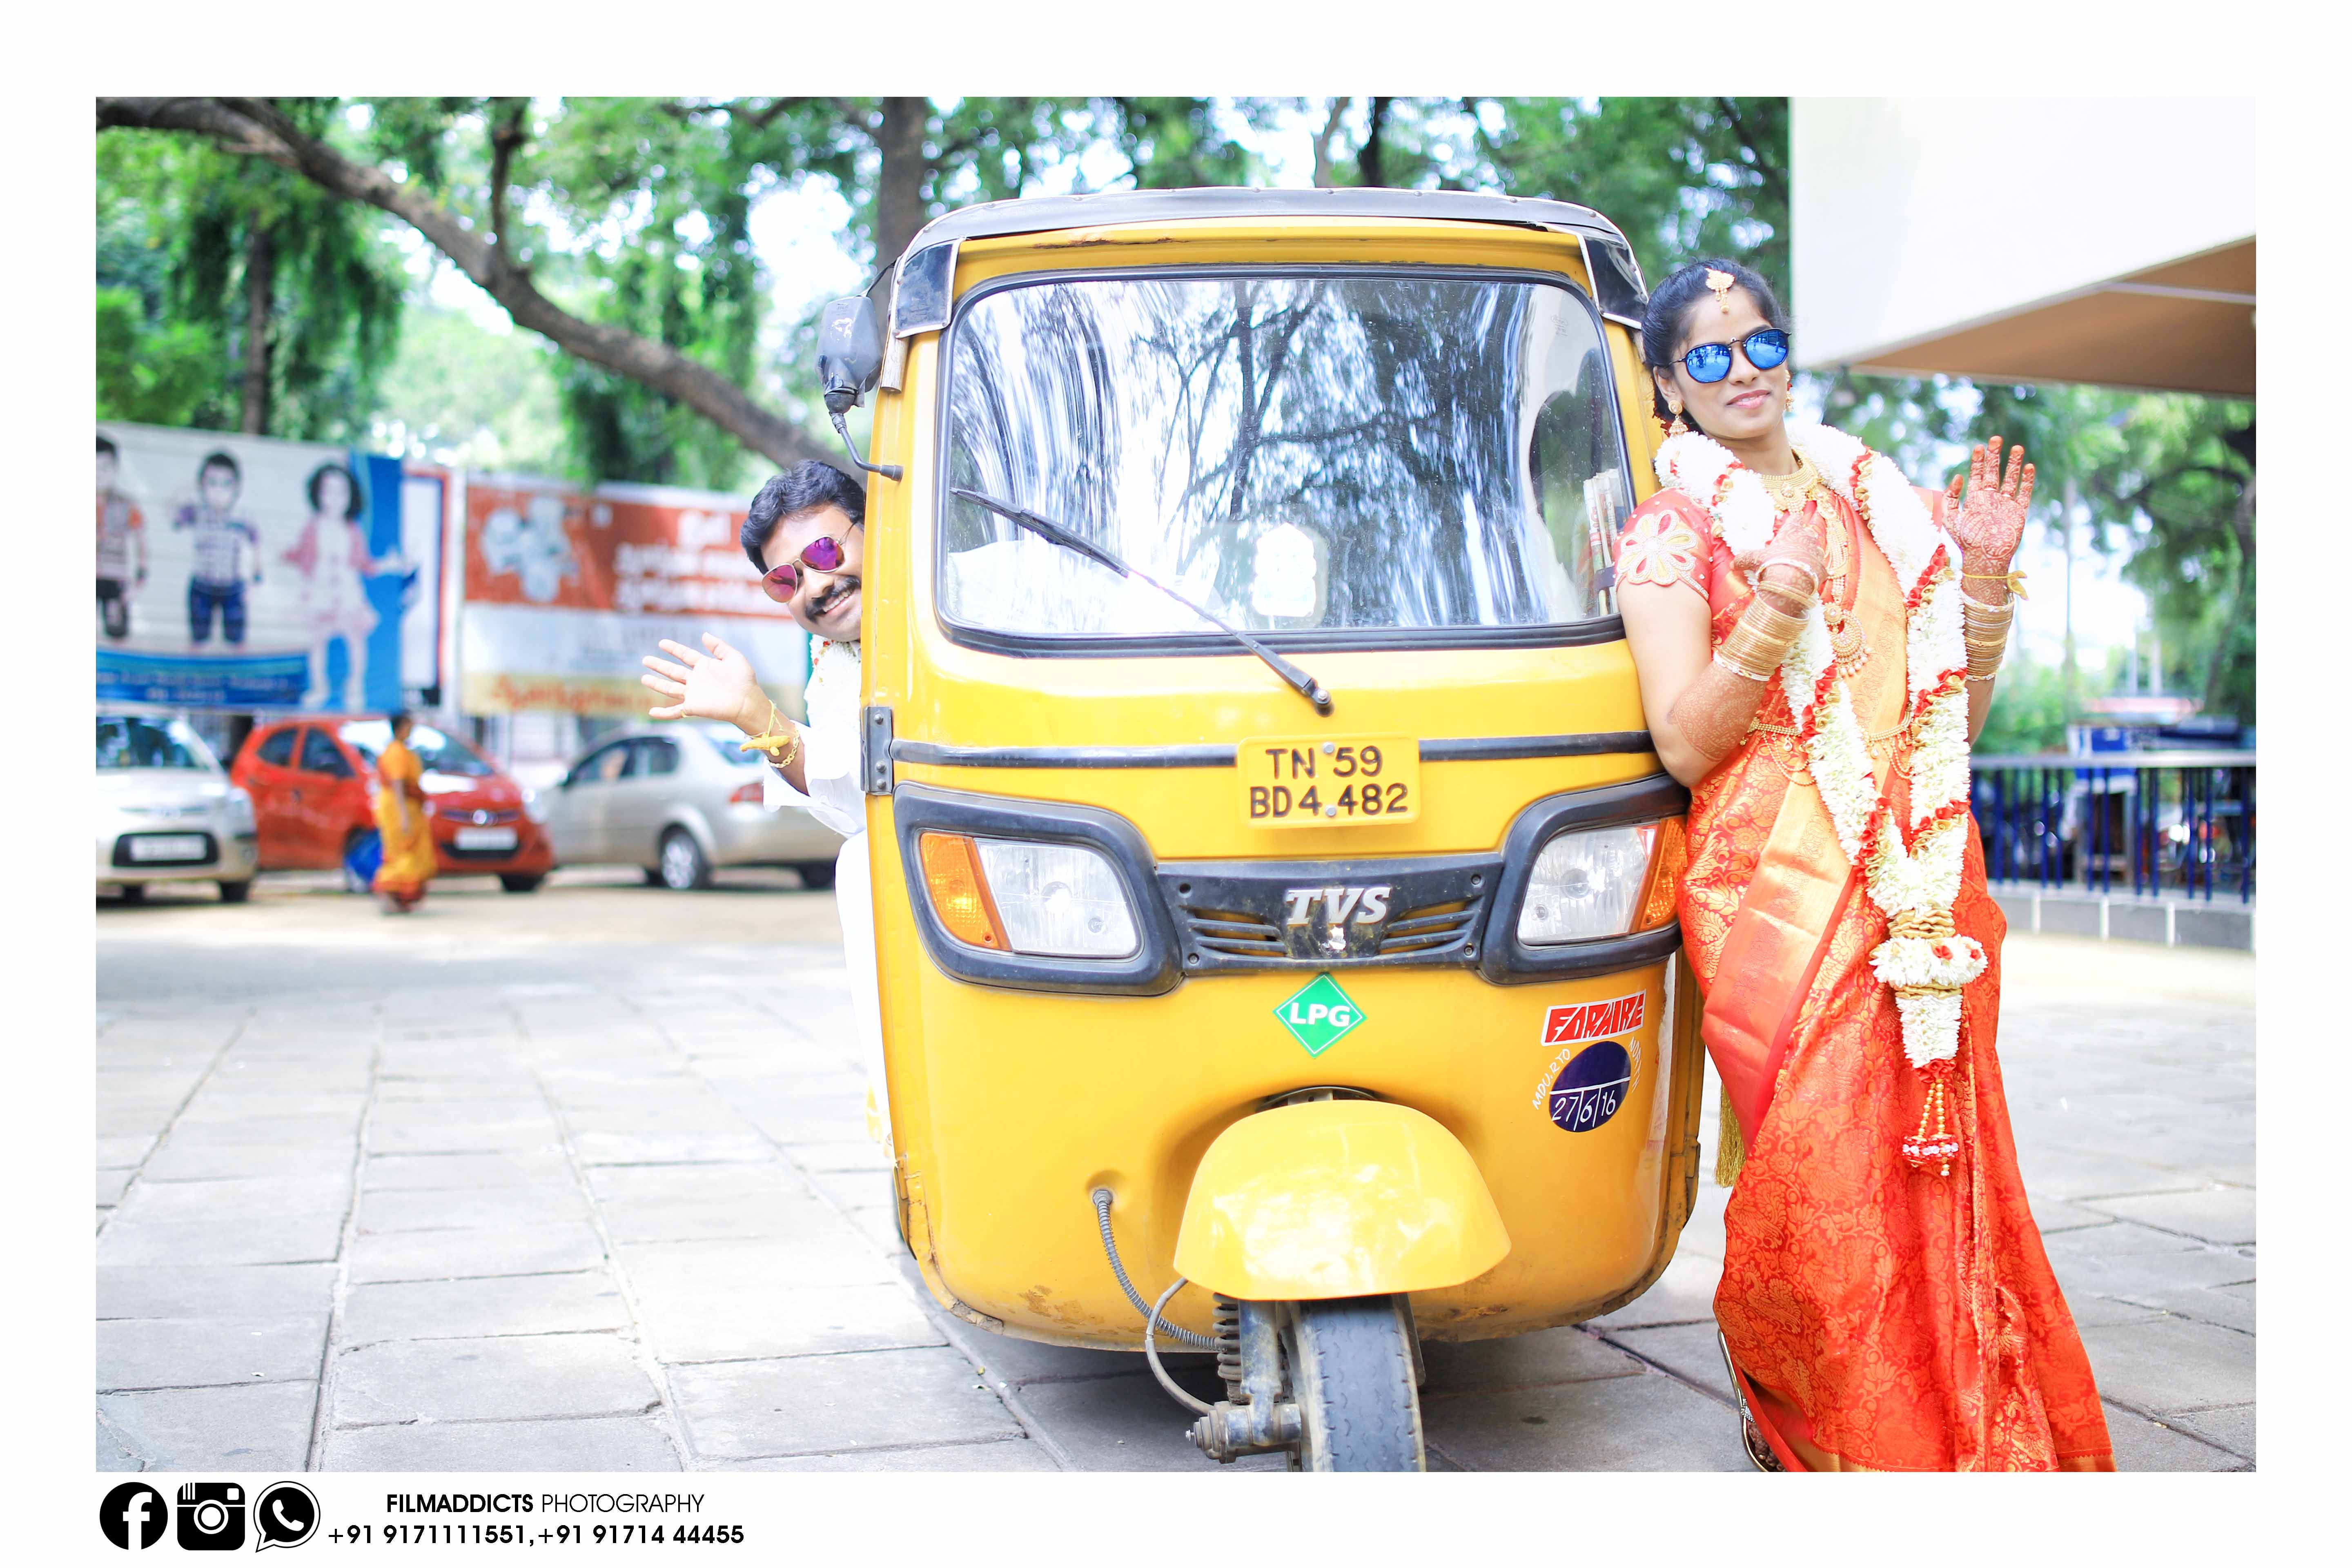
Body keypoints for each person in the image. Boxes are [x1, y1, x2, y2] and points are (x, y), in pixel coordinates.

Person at [1614, 258, 2114, 1472]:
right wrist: (1777, 598)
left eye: (1763, 343)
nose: (1746, 372)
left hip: (1920, 873)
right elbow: (1684, 736)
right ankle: (1838, 1416)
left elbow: (1952, 718)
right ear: (1670, 386)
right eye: (1711, 357)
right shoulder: (1670, 531)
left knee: (1938, 1145)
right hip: (1775, 894)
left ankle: (1970, 1404)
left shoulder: (1877, 504)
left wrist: (1983, 584)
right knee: (1823, 1160)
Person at [638, 461, 888, 1146]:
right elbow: (855, 805)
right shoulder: (833, 673)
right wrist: (756, 718)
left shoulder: (972, 596)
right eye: (788, 578)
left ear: (881, 529)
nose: (816, 586)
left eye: (826, 553)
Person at [283, 460, 401, 708]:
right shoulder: (314, 526)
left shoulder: (352, 530)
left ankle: (356, 686)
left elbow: (364, 563)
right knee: (318, 641)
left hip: (348, 595)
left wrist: (389, 565)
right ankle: (319, 687)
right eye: (329, 491)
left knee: (355, 640)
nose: (335, 498)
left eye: (342, 492)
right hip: (320, 593)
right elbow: (302, 554)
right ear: (318, 494)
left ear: (351, 496)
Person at [174, 450, 263, 647]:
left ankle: (238, 674)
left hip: (233, 587)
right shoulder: (195, 512)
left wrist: (256, 580)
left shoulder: (244, 518)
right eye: (212, 483)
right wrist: (183, 495)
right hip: (202, 586)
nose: (219, 491)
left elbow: (256, 547)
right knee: (198, 638)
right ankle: (194, 673)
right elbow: (175, 521)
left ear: (237, 488)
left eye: (226, 484)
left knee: (236, 639)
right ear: (202, 486)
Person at [371, 711, 436, 913]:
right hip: (398, 808)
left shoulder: (405, 751)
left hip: (409, 806)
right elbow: (398, 784)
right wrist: (404, 816)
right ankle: (388, 895)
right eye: (409, 726)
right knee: (400, 852)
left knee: (414, 852)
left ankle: (402, 900)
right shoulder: (396, 752)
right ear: (400, 727)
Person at [96, 435, 146, 641]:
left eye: (104, 467)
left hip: (115, 577)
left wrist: (141, 575)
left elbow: (140, 541)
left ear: (116, 468)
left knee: (117, 632)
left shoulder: (127, 506)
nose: (98, 474)